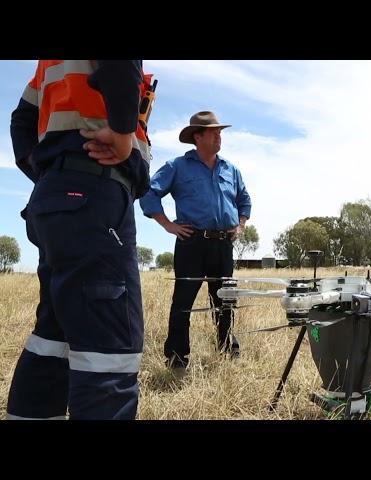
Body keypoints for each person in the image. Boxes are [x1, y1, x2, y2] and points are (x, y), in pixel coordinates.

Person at [7, 60, 154, 419]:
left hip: (57, 198)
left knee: (52, 339)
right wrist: (122, 137)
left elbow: (21, 121)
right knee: (108, 351)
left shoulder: (49, 66)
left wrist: (49, 173)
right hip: (96, 193)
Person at [139, 110, 251, 371]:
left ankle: (226, 349)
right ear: (197, 137)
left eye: (220, 132)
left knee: (225, 299)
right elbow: (148, 194)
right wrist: (168, 225)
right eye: (214, 132)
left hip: (224, 244)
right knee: (183, 302)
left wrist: (241, 224)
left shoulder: (230, 169)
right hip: (192, 243)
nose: (219, 136)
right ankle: (177, 357)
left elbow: (244, 199)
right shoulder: (177, 166)